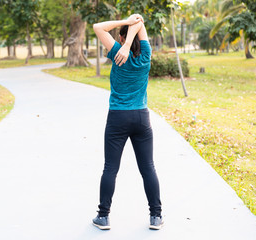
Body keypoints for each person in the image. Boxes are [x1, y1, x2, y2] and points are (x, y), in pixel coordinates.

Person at [92, 14, 163, 230]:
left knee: (110, 168)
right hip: (141, 117)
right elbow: (140, 23)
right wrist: (133, 27)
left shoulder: (117, 54)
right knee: (148, 168)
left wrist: (125, 23)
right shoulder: (146, 56)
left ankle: (103, 217)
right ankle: (156, 216)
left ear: (121, 40)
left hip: (118, 117)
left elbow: (98, 27)